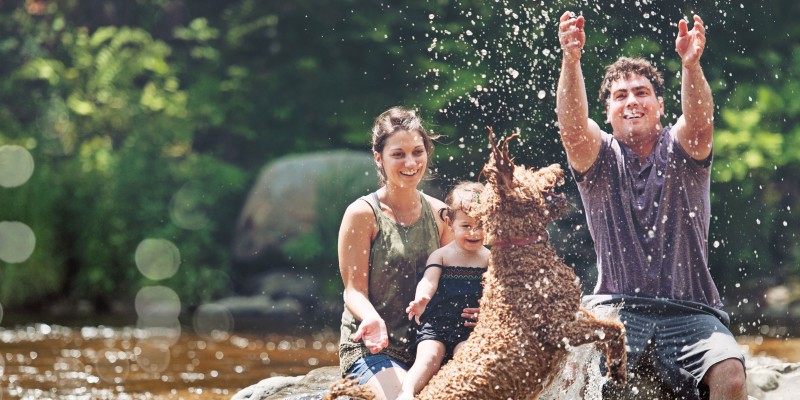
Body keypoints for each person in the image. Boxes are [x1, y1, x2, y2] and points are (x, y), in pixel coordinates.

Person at [555, 11, 748, 400]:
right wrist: (571, 59)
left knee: (730, 373)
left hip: (691, 312)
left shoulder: (681, 148)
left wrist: (690, 66)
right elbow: (573, 129)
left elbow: (699, 123)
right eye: (620, 96)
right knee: (574, 370)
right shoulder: (598, 157)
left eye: (642, 93)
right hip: (614, 309)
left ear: (660, 106)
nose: (631, 102)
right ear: (607, 113)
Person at [337, 106, 455, 400]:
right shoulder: (362, 214)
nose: (410, 162)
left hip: (429, 347)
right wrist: (371, 319)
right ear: (379, 158)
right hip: (373, 348)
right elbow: (353, 291)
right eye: (398, 154)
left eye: (418, 151)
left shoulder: (441, 214)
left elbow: (454, 282)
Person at [397, 182, 489, 400]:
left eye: (481, 225)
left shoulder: (489, 259)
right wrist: (422, 299)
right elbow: (429, 281)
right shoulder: (442, 255)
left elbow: (497, 294)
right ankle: (406, 392)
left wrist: (487, 313)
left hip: (469, 329)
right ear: (450, 223)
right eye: (466, 226)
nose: (474, 232)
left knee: (467, 357)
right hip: (437, 323)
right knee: (428, 358)